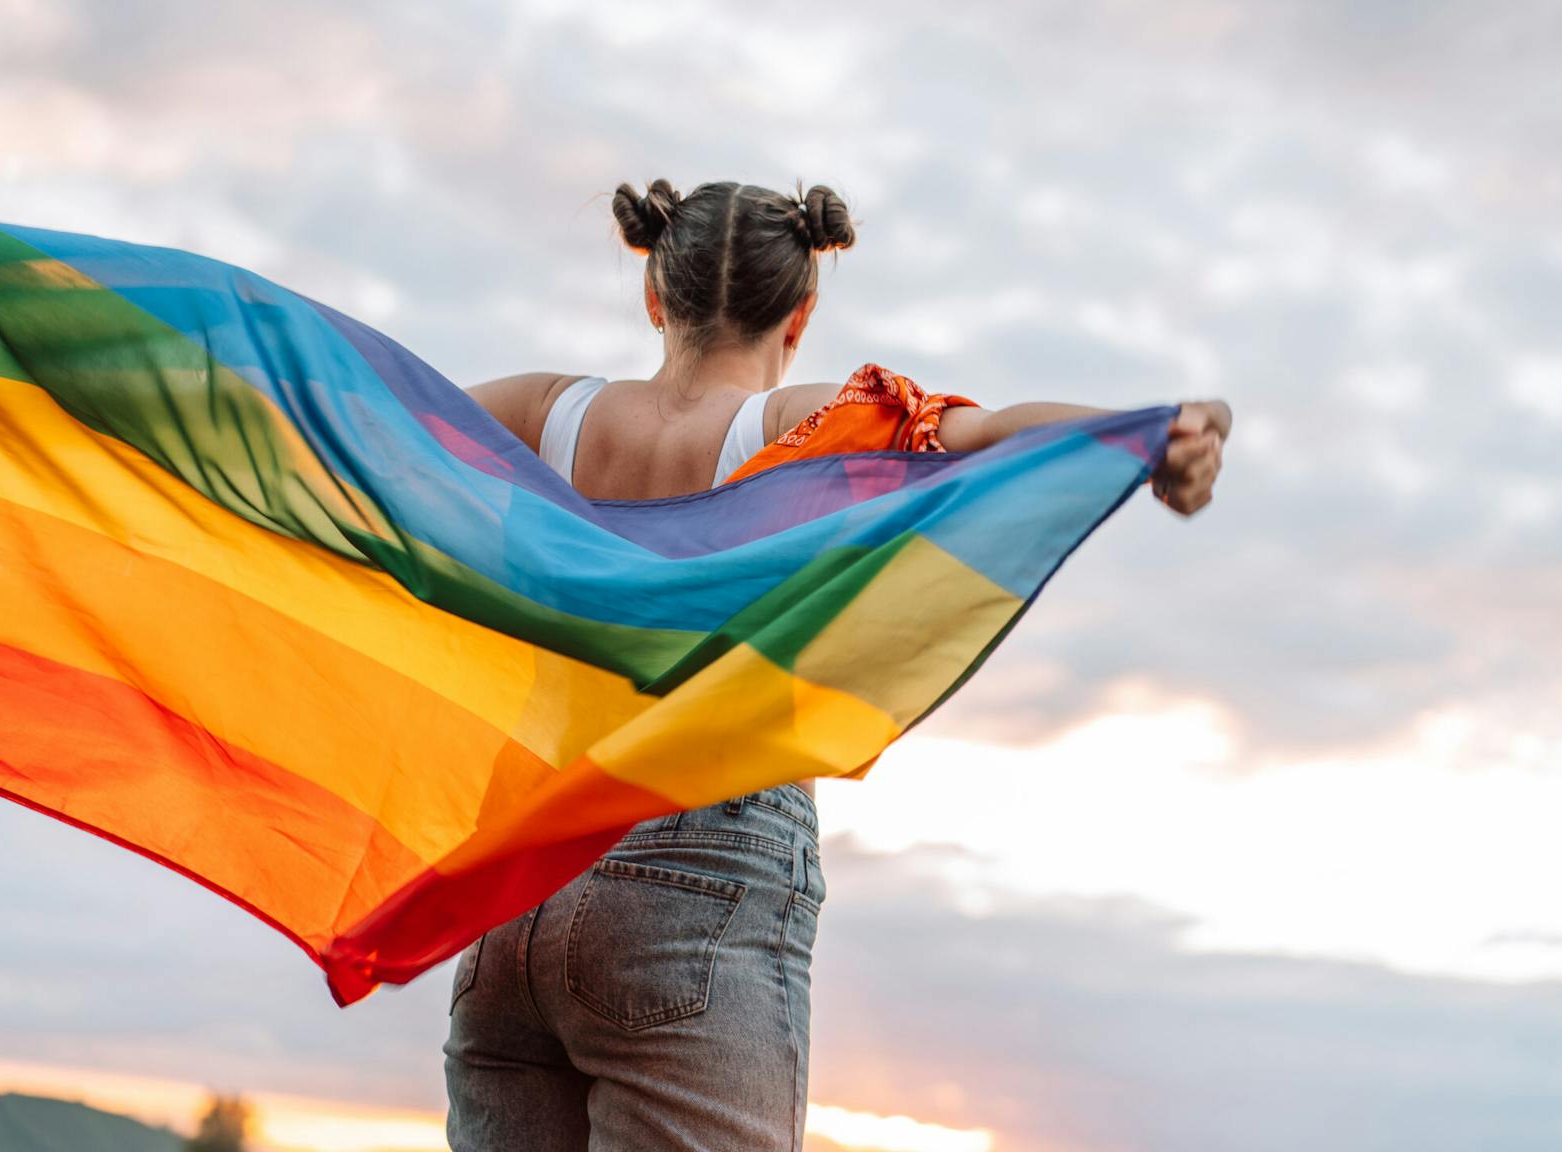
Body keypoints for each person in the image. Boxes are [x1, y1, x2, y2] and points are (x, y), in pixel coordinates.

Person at [442, 179, 1230, 1151]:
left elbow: (361, 425)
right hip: (692, 890)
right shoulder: (793, 429)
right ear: (800, 312)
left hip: (509, 894)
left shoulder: (538, 411)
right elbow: (977, 432)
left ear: (653, 292)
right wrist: (1152, 434)